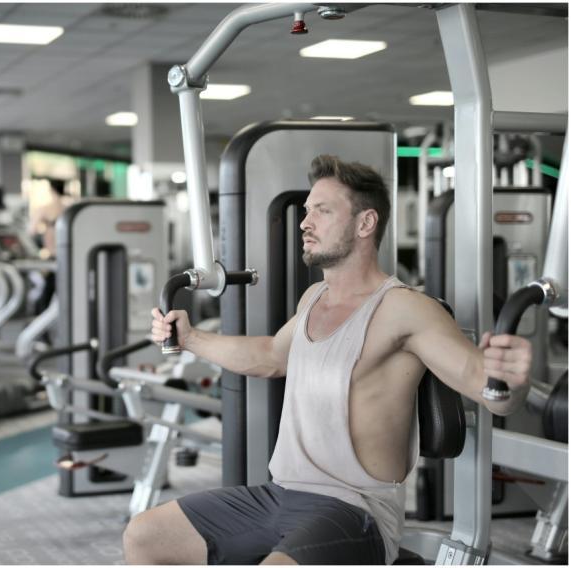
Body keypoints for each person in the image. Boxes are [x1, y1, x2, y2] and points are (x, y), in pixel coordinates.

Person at [125, 154, 533, 565]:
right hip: (281, 494)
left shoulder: (405, 309)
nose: (305, 223)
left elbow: (486, 386)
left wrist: (510, 380)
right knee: (146, 536)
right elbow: (270, 356)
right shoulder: (313, 298)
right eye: (306, 211)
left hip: (356, 511)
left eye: (322, 211)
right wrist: (191, 338)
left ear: (365, 223)